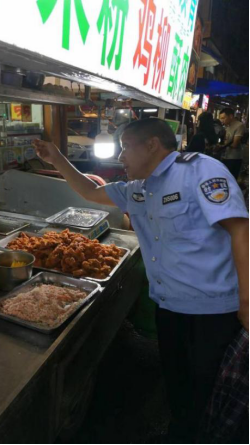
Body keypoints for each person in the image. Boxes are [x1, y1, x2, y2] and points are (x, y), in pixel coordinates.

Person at [33, 119, 249, 444]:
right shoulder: (139, 189)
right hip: (169, 307)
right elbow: (90, 190)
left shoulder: (200, 170)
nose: (120, 157)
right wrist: (57, 159)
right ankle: (181, 433)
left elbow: (240, 229)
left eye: (125, 147)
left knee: (209, 391)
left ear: (152, 144)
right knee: (178, 385)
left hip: (212, 312)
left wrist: (247, 301)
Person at [217, 108, 246, 179]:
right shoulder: (227, 126)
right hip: (226, 156)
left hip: (234, 158)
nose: (222, 120)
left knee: (231, 179)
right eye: (221, 118)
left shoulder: (239, 125)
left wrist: (221, 146)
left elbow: (235, 144)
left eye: (223, 118)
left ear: (231, 116)